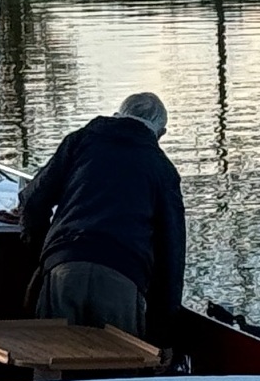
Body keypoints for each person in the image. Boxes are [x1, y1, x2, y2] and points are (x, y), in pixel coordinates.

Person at [17, 92, 185, 342]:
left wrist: (45, 254)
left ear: (118, 114)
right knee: (116, 373)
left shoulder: (81, 141)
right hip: (122, 278)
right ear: (160, 134)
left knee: (51, 364)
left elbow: (31, 202)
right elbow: (171, 254)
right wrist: (164, 334)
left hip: (64, 271)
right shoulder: (162, 169)